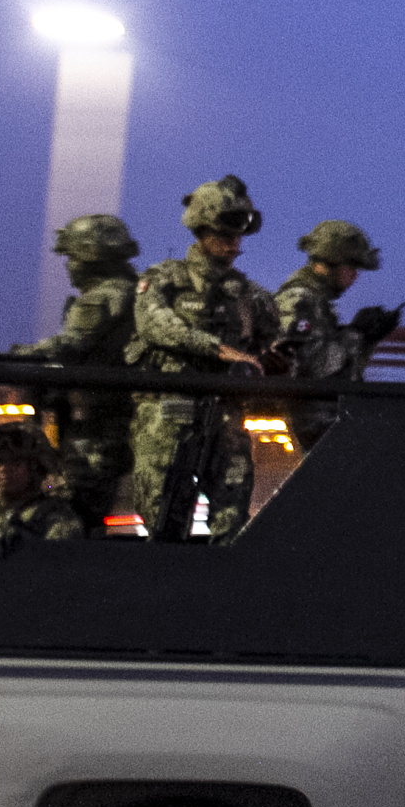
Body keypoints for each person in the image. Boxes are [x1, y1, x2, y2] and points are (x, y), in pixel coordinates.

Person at [124, 175, 280, 542]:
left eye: (238, 237)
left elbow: (268, 345)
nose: (233, 245)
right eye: (224, 236)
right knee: (164, 519)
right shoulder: (164, 280)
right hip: (169, 415)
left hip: (225, 414)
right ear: (201, 231)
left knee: (232, 517)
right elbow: (155, 326)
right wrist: (216, 349)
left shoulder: (251, 296)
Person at [8, 213, 141, 531]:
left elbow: (70, 345)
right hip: (117, 422)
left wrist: (18, 356)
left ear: (90, 257)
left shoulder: (103, 297)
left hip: (97, 429)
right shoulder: (135, 293)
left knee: (74, 512)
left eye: (71, 257)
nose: (68, 266)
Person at [273, 220, 403, 448]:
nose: (354, 276)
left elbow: (340, 368)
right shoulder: (297, 300)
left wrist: (367, 338)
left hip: (329, 427)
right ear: (329, 262)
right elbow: (310, 366)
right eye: (351, 267)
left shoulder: (317, 302)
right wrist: (357, 334)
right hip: (311, 429)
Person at [0, 423, 84, 549]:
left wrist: (24, 540)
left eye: (15, 463)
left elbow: (60, 557)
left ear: (33, 469)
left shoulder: (57, 516)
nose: (4, 469)